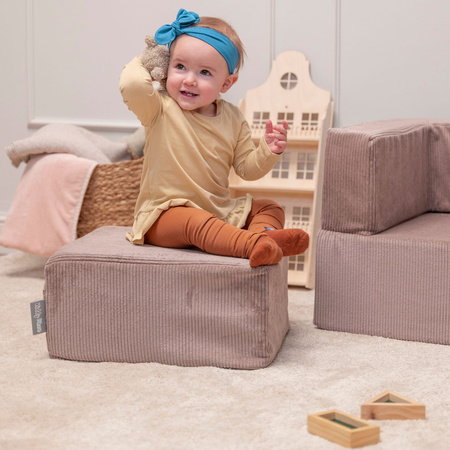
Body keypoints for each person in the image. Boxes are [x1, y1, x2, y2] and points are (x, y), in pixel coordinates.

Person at [120, 8, 309, 268]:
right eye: (180, 66)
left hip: (217, 211)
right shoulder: (160, 108)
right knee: (192, 221)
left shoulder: (232, 118)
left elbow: (247, 169)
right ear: (167, 67)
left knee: (269, 207)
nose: (189, 80)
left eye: (205, 72)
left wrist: (269, 149)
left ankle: (265, 238)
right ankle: (252, 244)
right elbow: (132, 85)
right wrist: (152, 58)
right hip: (163, 216)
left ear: (226, 84)